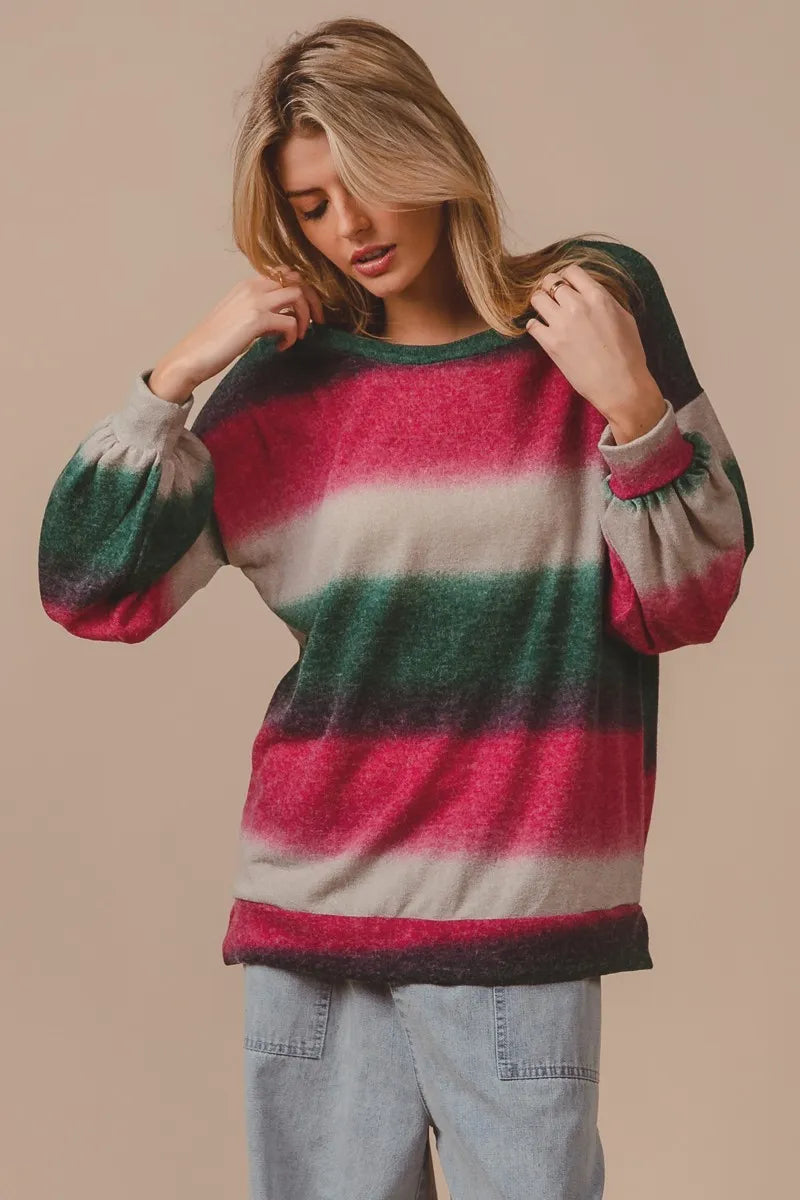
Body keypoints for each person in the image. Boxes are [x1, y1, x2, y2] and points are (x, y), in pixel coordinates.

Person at [37, 16, 755, 1200]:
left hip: (518, 923)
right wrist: (173, 378)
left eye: (364, 181)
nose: (349, 228)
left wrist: (631, 409)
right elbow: (89, 590)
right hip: (313, 923)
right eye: (311, 206)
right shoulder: (286, 384)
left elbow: (687, 598)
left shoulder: (587, 304)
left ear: (426, 151)